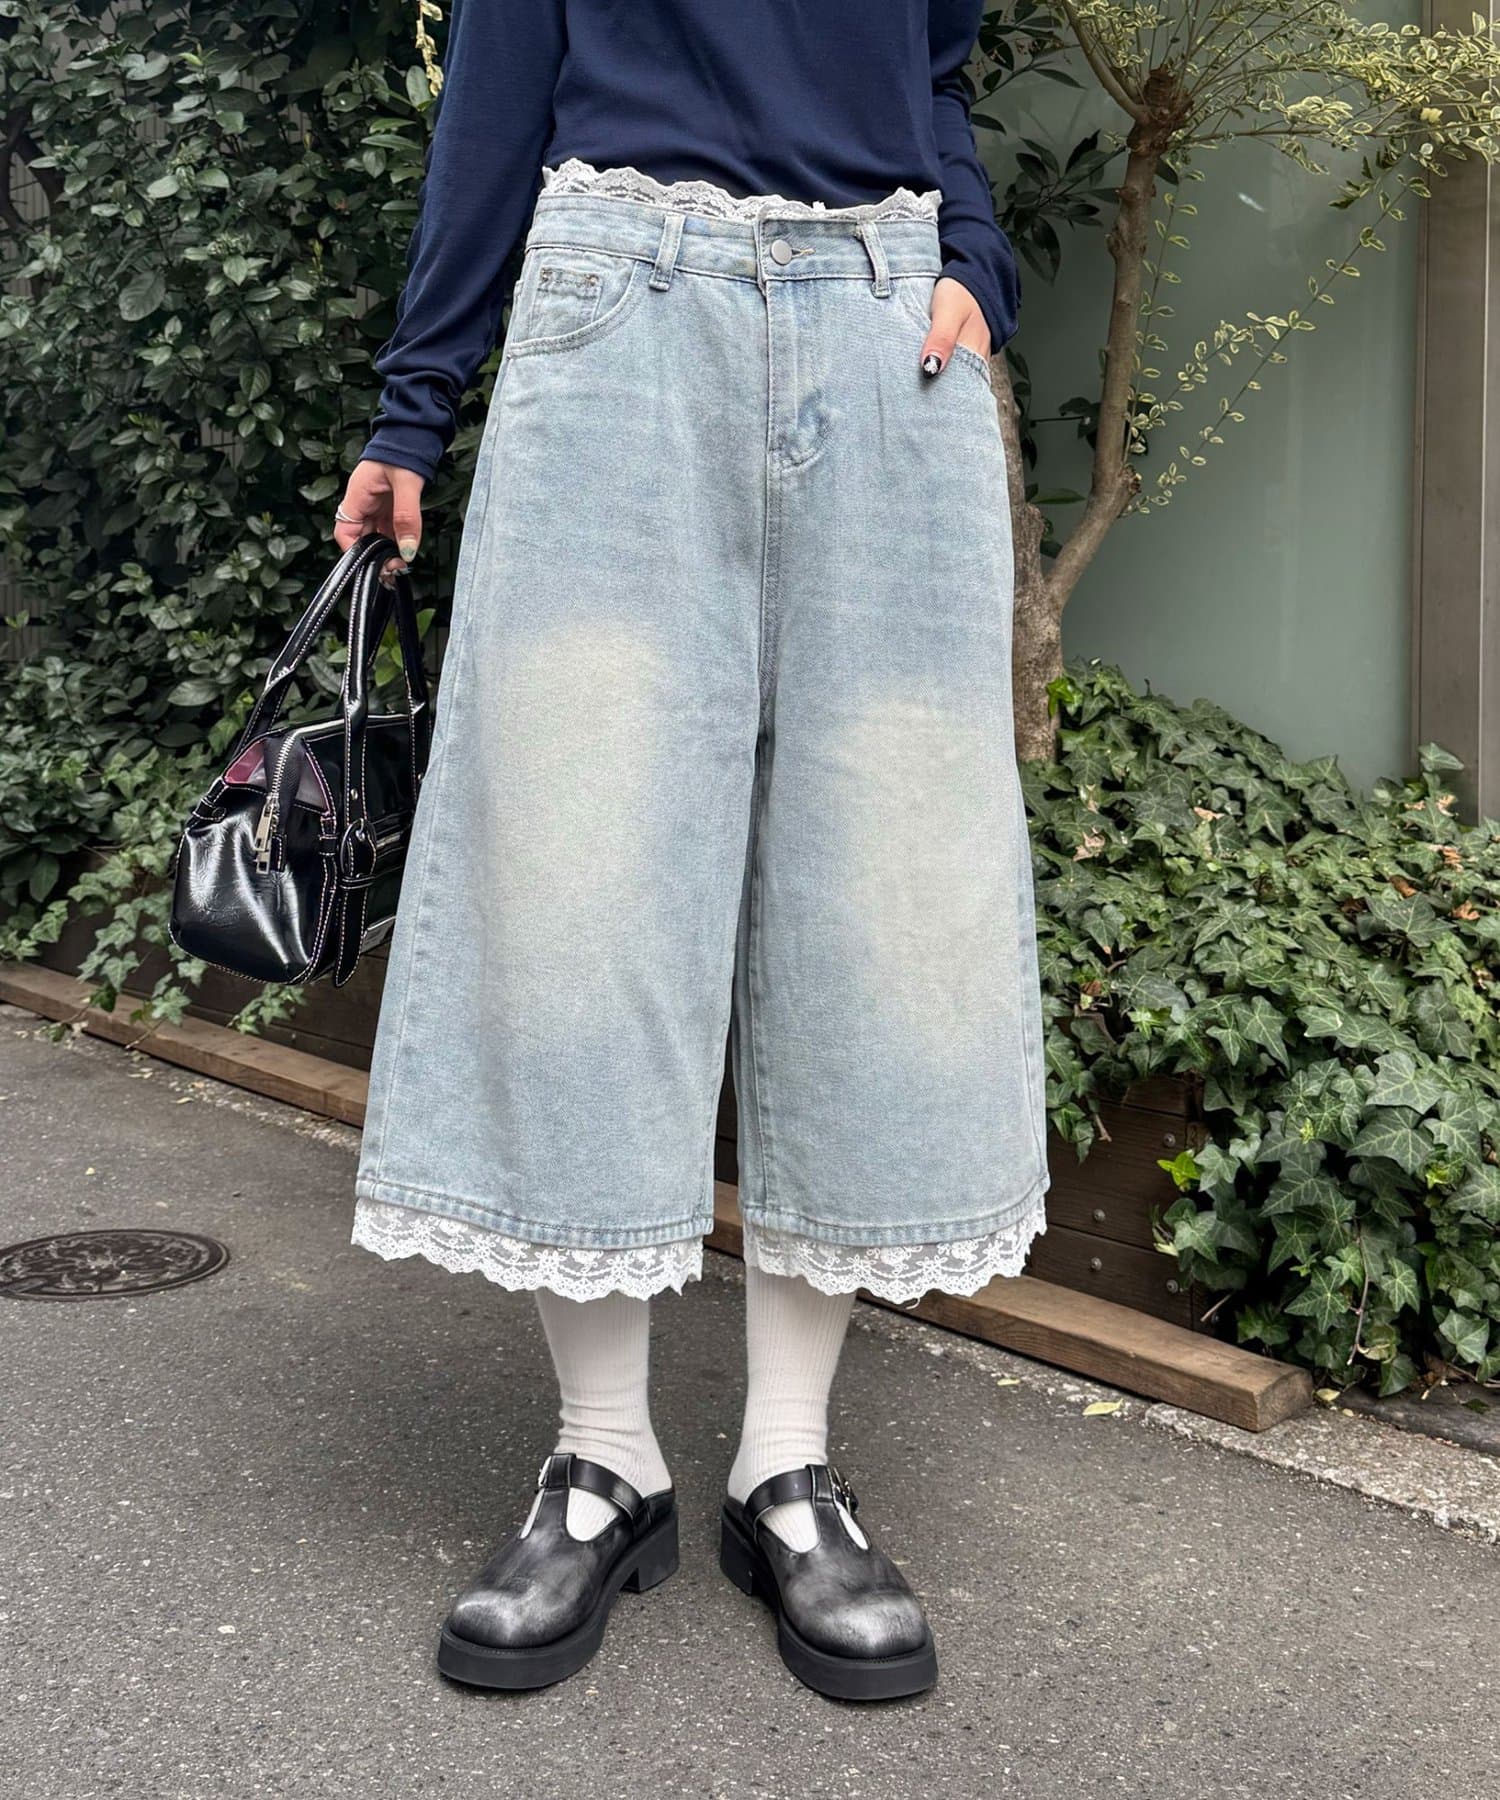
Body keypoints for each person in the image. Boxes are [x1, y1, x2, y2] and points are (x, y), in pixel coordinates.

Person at [334, 0, 1049, 1703]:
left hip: (888, 331)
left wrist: (974, 262)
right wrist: (413, 408)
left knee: (885, 898)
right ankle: (604, 1460)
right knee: (573, 881)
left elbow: (934, 72)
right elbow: (498, 88)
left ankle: (785, 1467)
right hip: (622, 320)